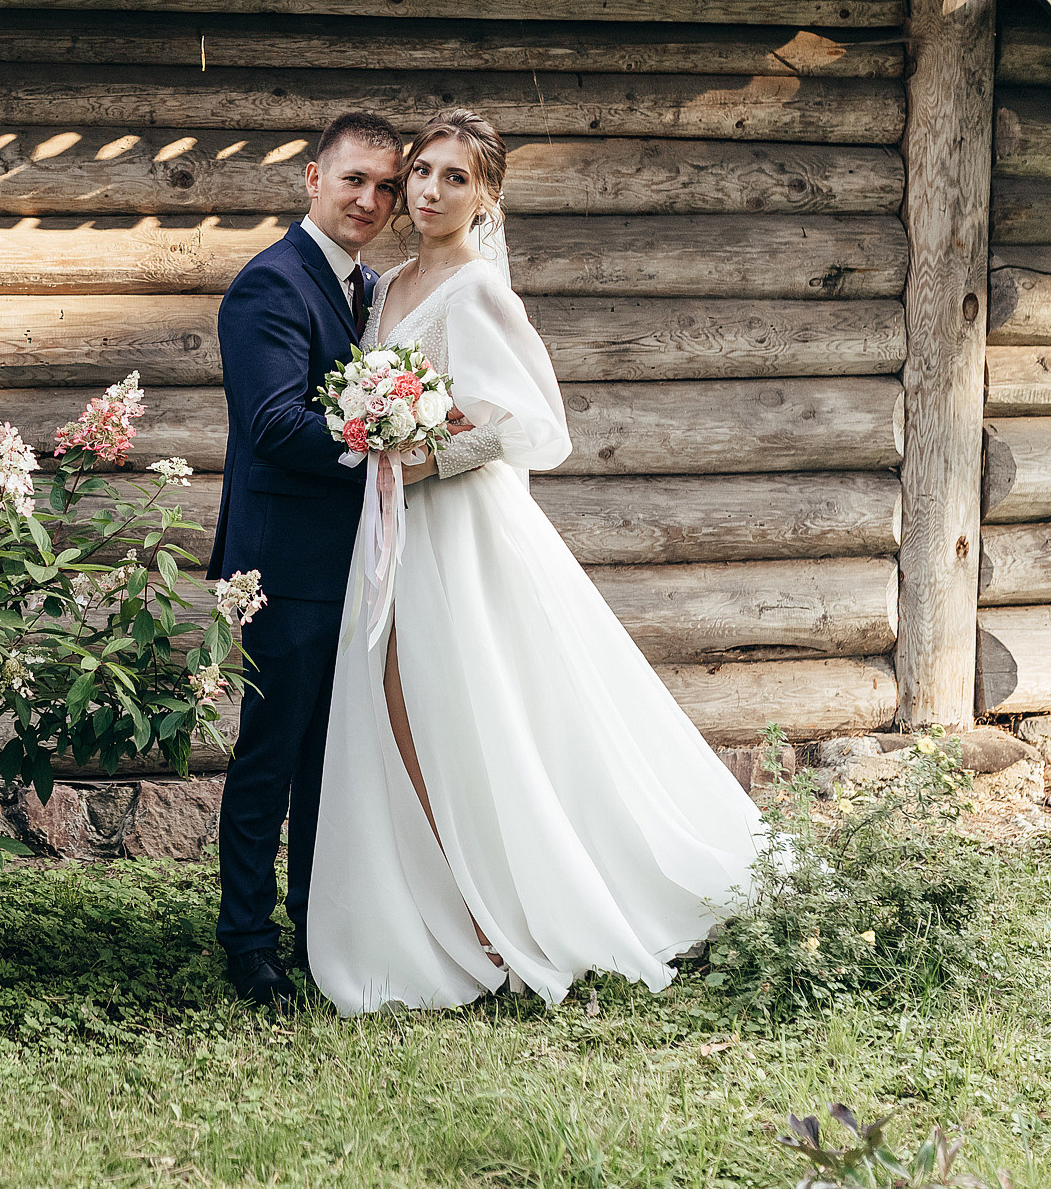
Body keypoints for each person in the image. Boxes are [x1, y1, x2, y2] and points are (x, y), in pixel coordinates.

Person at [305, 108, 768, 1013]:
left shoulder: (478, 291)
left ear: (487, 198)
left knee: (481, 713)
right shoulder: (388, 282)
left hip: (464, 531)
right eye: (423, 174)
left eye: (455, 178)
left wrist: (423, 451)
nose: (431, 192)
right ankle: (451, 898)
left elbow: (534, 426)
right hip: (398, 529)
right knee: (405, 714)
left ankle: (511, 910)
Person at [206, 111, 399, 1008]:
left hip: (346, 562)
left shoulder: (366, 289)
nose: (371, 199)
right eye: (354, 178)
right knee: (271, 758)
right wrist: (391, 433)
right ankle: (247, 941)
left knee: (332, 758)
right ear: (312, 177)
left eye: (386, 187)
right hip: (283, 565)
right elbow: (275, 424)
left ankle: (315, 923)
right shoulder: (270, 286)